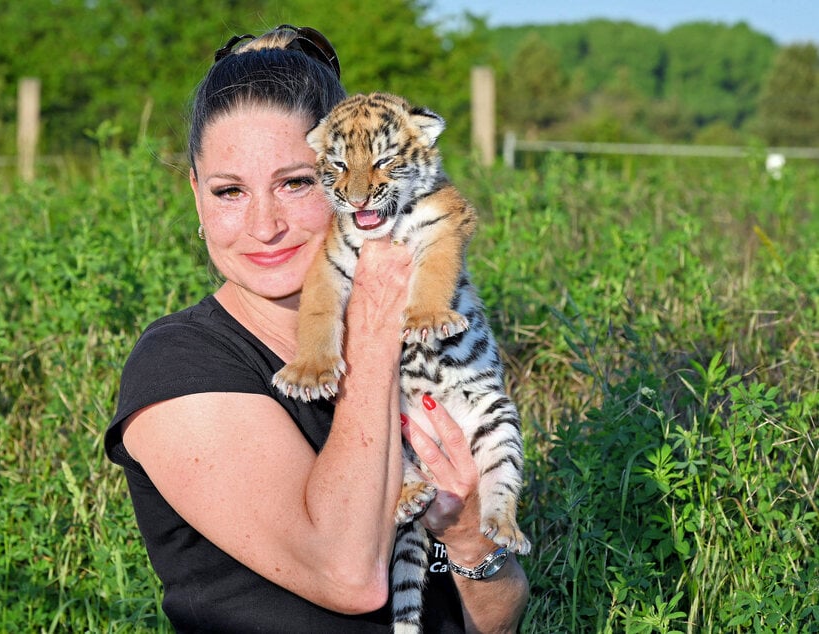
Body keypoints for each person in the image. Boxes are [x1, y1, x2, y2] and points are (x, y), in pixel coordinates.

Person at [105, 24, 529, 632]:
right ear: (196, 196)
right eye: (229, 191)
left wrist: (467, 538)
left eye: (295, 182)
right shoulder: (180, 364)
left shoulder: (429, 347)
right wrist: (378, 323)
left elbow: (500, 622)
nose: (264, 225)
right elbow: (346, 575)